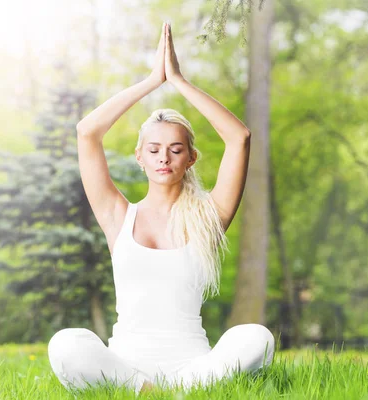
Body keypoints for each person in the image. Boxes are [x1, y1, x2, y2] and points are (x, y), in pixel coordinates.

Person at [47, 22, 275, 395]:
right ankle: (146, 389)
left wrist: (180, 82)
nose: (163, 158)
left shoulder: (208, 217)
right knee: (65, 344)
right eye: (153, 149)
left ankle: (178, 388)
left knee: (257, 337)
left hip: (193, 365)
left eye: (175, 149)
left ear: (190, 158)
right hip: (124, 364)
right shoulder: (118, 216)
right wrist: (154, 80)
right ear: (140, 157)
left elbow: (240, 137)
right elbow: (87, 132)